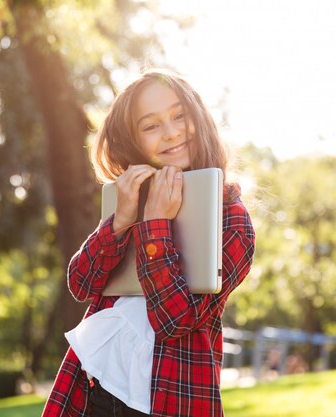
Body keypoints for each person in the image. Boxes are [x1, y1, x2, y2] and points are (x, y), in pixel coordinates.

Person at [41, 69, 256, 417]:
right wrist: (120, 222)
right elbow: (81, 283)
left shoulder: (231, 219)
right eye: (151, 126)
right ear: (133, 141)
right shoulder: (130, 201)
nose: (171, 133)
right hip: (97, 394)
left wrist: (155, 225)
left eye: (179, 116)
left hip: (168, 399)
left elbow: (175, 319)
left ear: (197, 120)